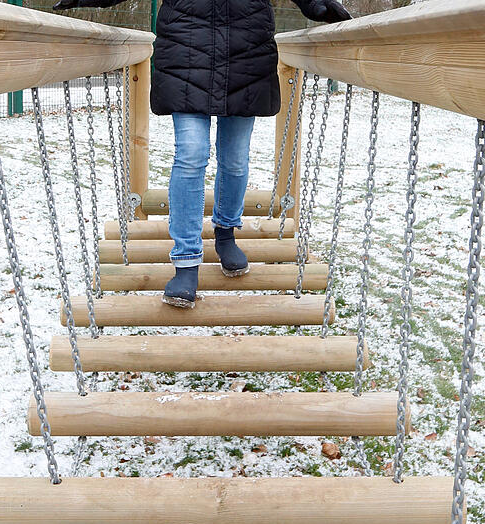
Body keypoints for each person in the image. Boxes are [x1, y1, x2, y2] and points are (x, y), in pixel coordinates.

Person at [54, 0, 351, 308]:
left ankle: (225, 233)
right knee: (191, 155)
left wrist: (318, 5)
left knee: (235, 158)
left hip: (245, 49)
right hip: (187, 46)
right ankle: (185, 261)